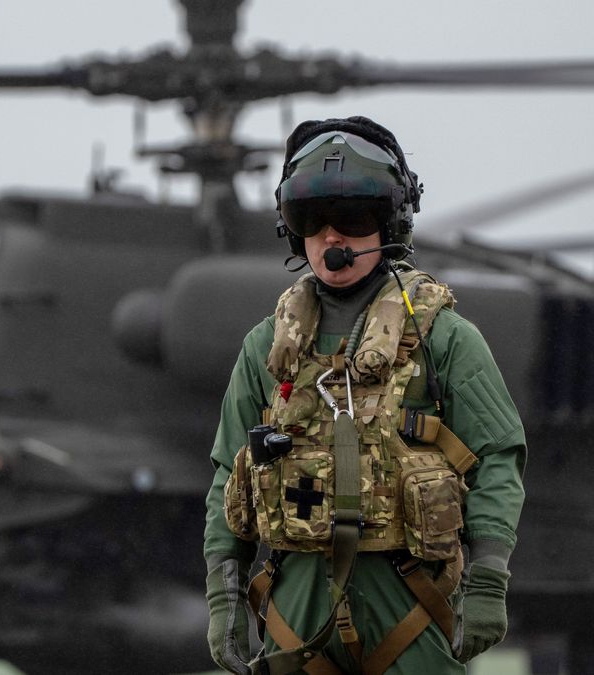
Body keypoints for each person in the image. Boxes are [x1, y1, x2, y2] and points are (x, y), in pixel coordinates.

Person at [203, 116, 525, 675]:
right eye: (312, 218)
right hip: (295, 598)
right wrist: (224, 592)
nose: (332, 237)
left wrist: (488, 577)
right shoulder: (266, 347)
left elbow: (497, 456)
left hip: (409, 598)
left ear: (390, 221)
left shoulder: (442, 338)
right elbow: (225, 472)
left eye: (352, 218)